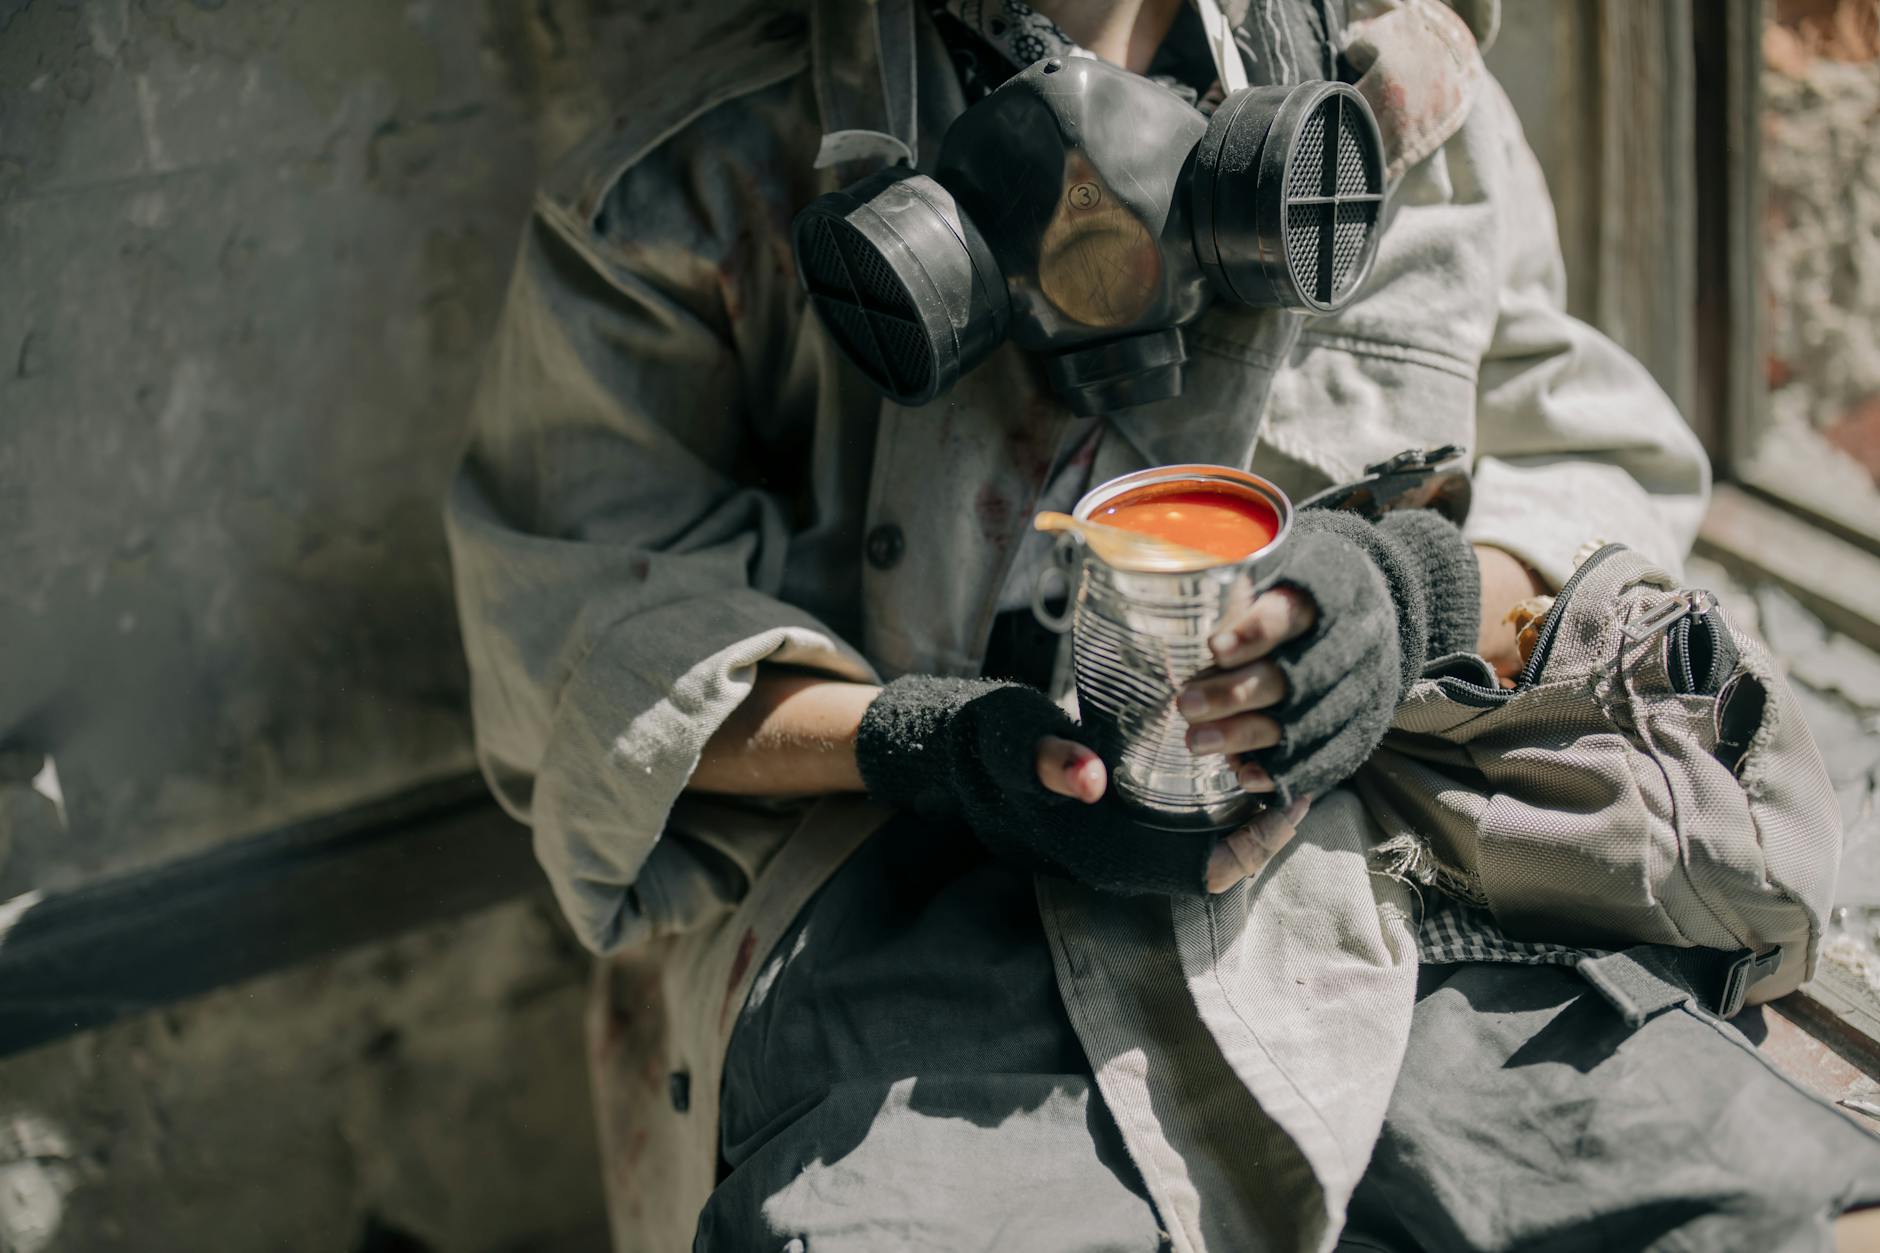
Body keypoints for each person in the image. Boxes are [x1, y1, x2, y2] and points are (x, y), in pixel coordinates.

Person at [445, 0, 1880, 1248]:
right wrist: (917, 743)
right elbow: (574, 644)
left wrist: (1414, 591)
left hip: (1361, 874)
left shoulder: (1404, 115)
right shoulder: (686, 193)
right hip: (908, 906)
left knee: (1729, 1202)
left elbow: (1592, 466)